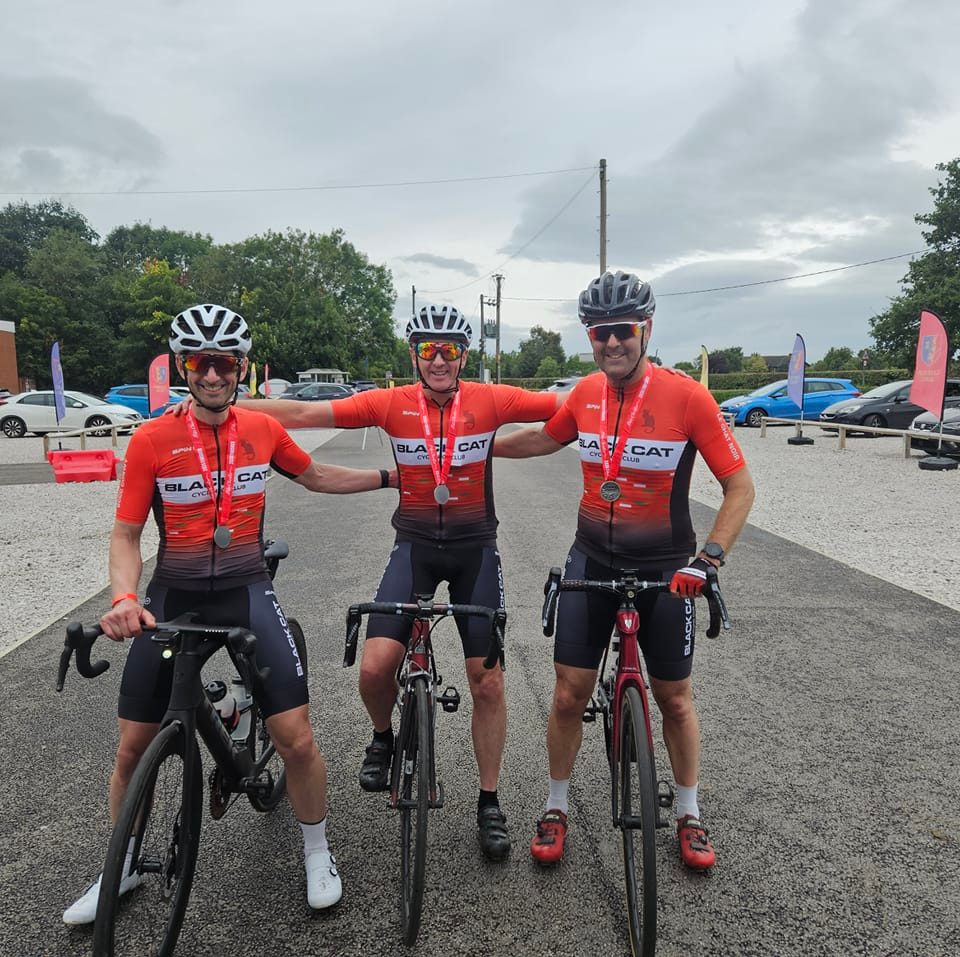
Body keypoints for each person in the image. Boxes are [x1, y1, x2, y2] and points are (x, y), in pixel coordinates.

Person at [63, 304, 396, 925]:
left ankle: (317, 851)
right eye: (199, 363)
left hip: (245, 591)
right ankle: (123, 862)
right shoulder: (152, 440)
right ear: (183, 367)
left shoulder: (261, 431)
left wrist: (390, 477)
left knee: (295, 738)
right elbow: (127, 534)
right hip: (174, 597)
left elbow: (318, 476)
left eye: (223, 363)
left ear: (241, 368)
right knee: (132, 746)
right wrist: (123, 598)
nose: (212, 375)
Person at [229, 304, 560, 860]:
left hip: (476, 551)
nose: (438, 359)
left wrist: (652, 378)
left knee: (488, 682)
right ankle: (383, 736)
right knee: (377, 666)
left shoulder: (491, 399)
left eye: (449, 349)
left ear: (464, 355)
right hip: (413, 550)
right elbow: (313, 415)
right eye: (427, 348)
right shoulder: (390, 403)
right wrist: (235, 401)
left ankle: (489, 801)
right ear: (413, 354)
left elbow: (574, 403)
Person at [494, 271, 755, 871]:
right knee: (567, 696)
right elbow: (543, 440)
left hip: (669, 566)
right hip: (592, 557)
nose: (611, 342)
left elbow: (739, 487)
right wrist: (480, 446)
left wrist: (709, 559)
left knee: (676, 699)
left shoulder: (689, 398)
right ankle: (557, 804)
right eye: (599, 332)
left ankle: (688, 812)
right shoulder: (585, 392)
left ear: (646, 330)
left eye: (622, 331)